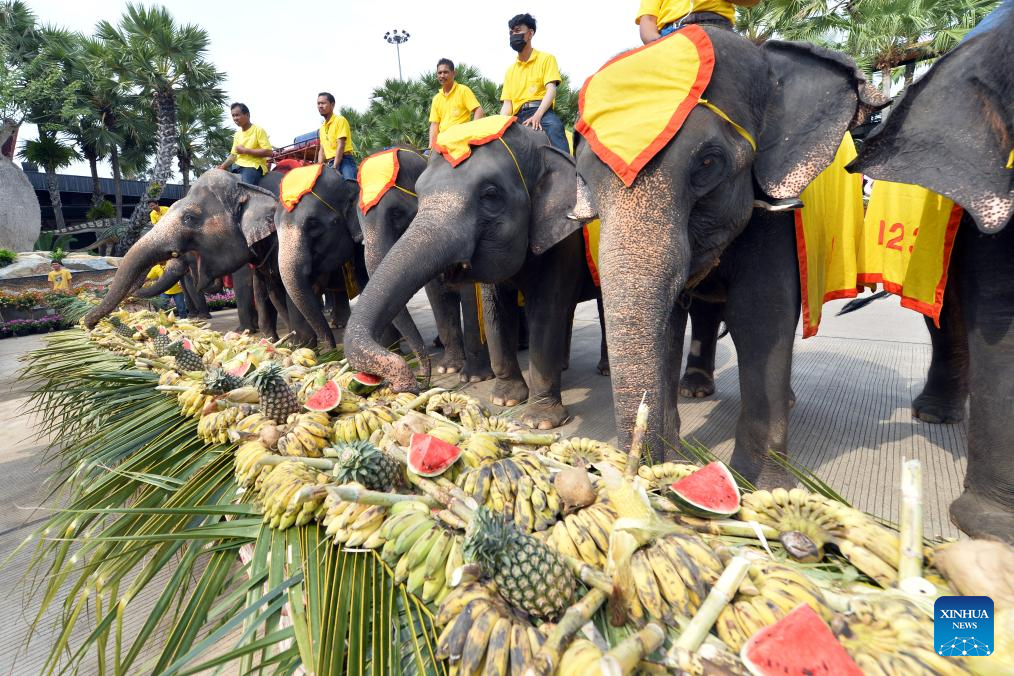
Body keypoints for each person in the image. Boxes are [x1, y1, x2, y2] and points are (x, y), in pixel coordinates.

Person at [636, 1, 802, 212]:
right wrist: (658, 45)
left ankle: (763, 183)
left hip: (717, 31)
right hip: (670, 38)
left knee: (761, 88)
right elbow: (647, 24)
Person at [499, 13, 569, 153]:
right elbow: (507, 105)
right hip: (516, 116)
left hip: (542, 112)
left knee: (555, 128)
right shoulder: (510, 71)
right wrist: (499, 124)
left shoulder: (546, 59)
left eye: (518, 31)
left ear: (530, 33)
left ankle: (568, 166)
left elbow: (551, 90)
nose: (513, 35)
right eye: (511, 32)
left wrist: (537, 115)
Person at [428, 58, 485, 149]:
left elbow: (479, 110)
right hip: (443, 143)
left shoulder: (463, 90)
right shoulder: (436, 98)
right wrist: (431, 146)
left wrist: (473, 133)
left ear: (453, 73)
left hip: (461, 141)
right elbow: (435, 124)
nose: (442, 75)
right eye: (439, 73)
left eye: (445, 72)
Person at [218, 102, 273, 185]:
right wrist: (222, 167)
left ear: (247, 115)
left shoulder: (258, 130)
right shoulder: (237, 134)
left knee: (244, 190)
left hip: (253, 167)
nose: (235, 118)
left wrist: (245, 150)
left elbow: (269, 152)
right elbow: (233, 156)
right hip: (236, 167)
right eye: (233, 116)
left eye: (237, 115)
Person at [316, 92, 358, 180]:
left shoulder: (340, 120)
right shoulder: (322, 128)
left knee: (349, 183)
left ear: (332, 105)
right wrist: (319, 168)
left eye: (323, 103)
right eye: (318, 103)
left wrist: (335, 167)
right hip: (330, 163)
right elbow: (322, 150)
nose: (320, 106)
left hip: (345, 161)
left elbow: (341, 145)